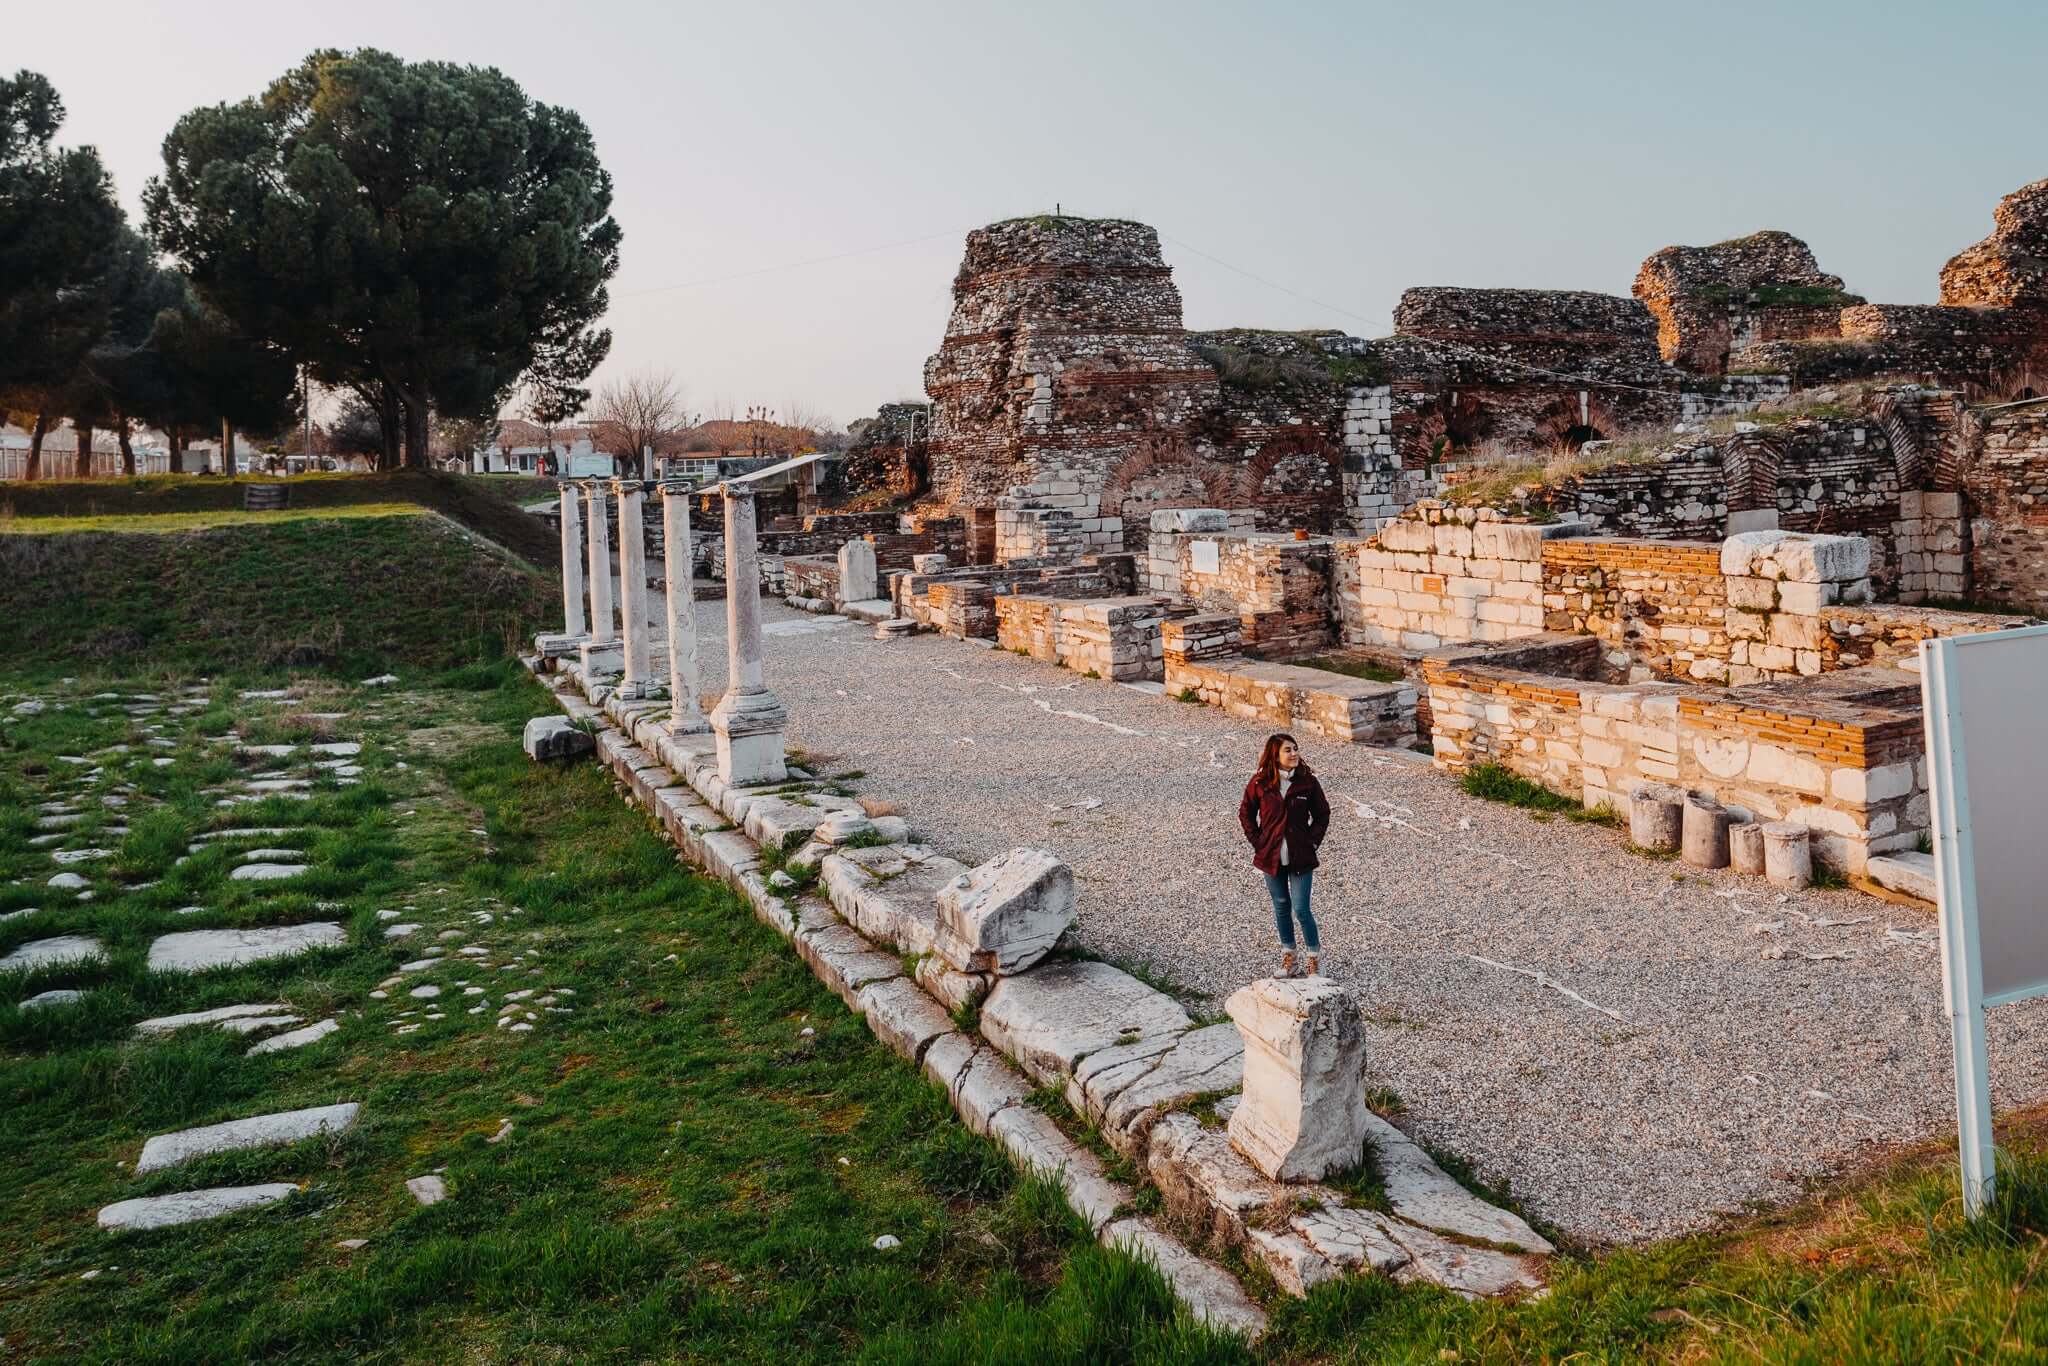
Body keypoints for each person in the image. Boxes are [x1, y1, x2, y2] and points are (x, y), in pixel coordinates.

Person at [1238, 732, 1331, 977]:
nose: (1294, 754)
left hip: (1302, 856)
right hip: (1271, 857)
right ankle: (1290, 957)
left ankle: (1314, 957)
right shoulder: (1259, 782)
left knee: (1301, 909)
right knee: (1281, 906)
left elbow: (1322, 814)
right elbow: (1246, 813)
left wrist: (1312, 842)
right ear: (1274, 755)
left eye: (1295, 749)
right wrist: (1259, 842)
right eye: (1287, 750)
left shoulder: (1308, 782)